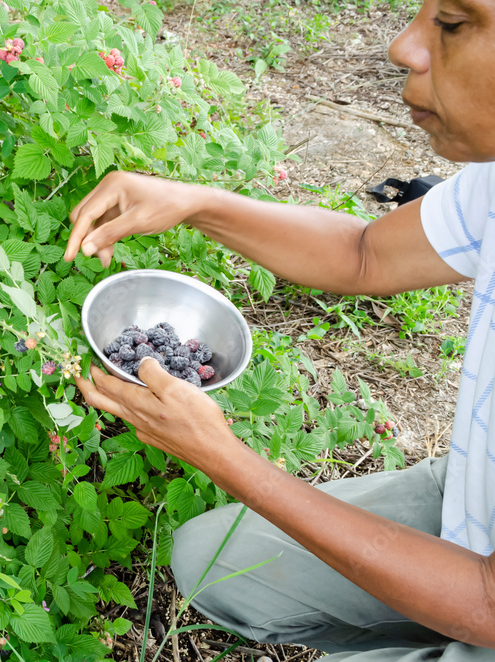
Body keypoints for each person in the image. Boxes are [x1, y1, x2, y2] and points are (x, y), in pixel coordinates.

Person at [64, 0, 495, 659]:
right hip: (475, 498)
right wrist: (198, 203)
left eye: (454, 23)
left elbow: (486, 603)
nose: (404, 47)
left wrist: (229, 460)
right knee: (216, 560)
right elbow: (366, 253)